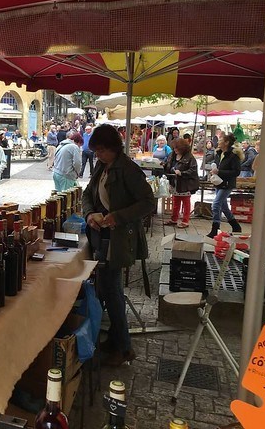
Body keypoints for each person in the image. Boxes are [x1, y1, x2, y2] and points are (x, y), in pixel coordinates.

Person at [83, 124, 154, 367]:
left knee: (112, 292)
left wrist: (118, 217)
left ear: (114, 147)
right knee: (107, 289)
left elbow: (148, 202)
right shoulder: (102, 166)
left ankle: (124, 348)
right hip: (102, 236)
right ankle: (116, 340)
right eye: (96, 151)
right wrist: (89, 214)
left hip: (120, 239)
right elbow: (87, 194)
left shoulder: (129, 170)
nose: (98, 155)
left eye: (102, 150)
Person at [206, 134, 243, 237]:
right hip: (219, 183)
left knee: (216, 205)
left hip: (227, 184)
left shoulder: (233, 156)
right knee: (224, 206)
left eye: (220, 140)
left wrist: (219, 172)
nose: (218, 142)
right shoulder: (219, 154)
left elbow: (236, 172)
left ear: (226, 143)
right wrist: (214, 172)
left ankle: (215, 229)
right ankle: (236, 226)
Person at [163, 138, 199, 228]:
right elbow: (168, 166)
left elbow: (193, 170)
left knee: (186, 202)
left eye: (177, 148)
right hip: (175, 182)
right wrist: (164, 165)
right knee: (175, 201)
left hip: (185, 184)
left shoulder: (190, 158)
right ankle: (174, 219)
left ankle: (185, 221)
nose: (175, 150)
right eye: (174, 148)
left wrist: (182, 173)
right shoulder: (172, 155)